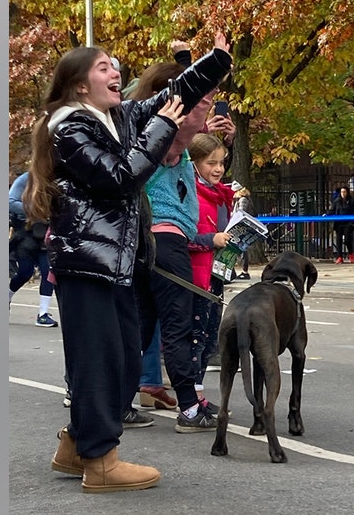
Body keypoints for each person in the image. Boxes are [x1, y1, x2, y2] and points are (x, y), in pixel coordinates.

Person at [24, 34, 233, 493]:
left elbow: (176, 95)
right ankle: (100, 461)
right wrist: (159, 128)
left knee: (120, 361)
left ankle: (77, 445)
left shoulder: (115, 117)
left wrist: (215, 61)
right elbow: (120, 178)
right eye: (103, 67)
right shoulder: (69, 129)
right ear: (80, 85)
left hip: (115, 261)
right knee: (100, 362)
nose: (115, 71)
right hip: (87, 261)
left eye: (113, 65)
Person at [129, 49, 235, 434]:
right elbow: (187, 123)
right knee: (178, 325)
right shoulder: (164, 142)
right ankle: (189, 408)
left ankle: (120, 401)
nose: (197, 116)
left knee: (142, 327)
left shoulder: (147, 138)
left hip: (146, 245)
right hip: (166, 244)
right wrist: (210, 74)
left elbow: (195, 131)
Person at [188, 133, 235, 411]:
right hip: (196, 278)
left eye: (221, 163)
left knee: (208, 338)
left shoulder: (220, 195)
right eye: (211, 163)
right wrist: (211, 240)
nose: (218, 169)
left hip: (215, 274)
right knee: (195, 338)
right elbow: (181, 236)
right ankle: (192, 397)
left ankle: (197, 393)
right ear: (194, 162)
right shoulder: (191, 194)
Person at [8, 172, 58, 327]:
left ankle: (43, 314)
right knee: (25, 273)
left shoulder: (56, 181)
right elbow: (10, 202)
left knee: (47, 272)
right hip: (26, 235)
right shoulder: (26, 179)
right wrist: (36, 211)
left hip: (45, 235)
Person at [329, 185, 354, 264]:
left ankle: (351, 254)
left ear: (347, 192)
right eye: (342, 192)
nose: (343, 193)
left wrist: (353, 218)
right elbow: (332, 210)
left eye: (344, 192)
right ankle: (339, 257)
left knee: (347, 240)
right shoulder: (337, 201)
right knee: (338, 240)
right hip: (339, 223)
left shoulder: (351, 201)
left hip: (348, 223)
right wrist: (326, 214)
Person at [232, 185, 253, 278]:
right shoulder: (244, 199)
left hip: (241, 227)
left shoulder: (242, 200)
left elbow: (241, 213)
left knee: (242, 249)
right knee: (242, 248)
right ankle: (243, 271)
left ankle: (244, 271)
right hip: (243, 226)